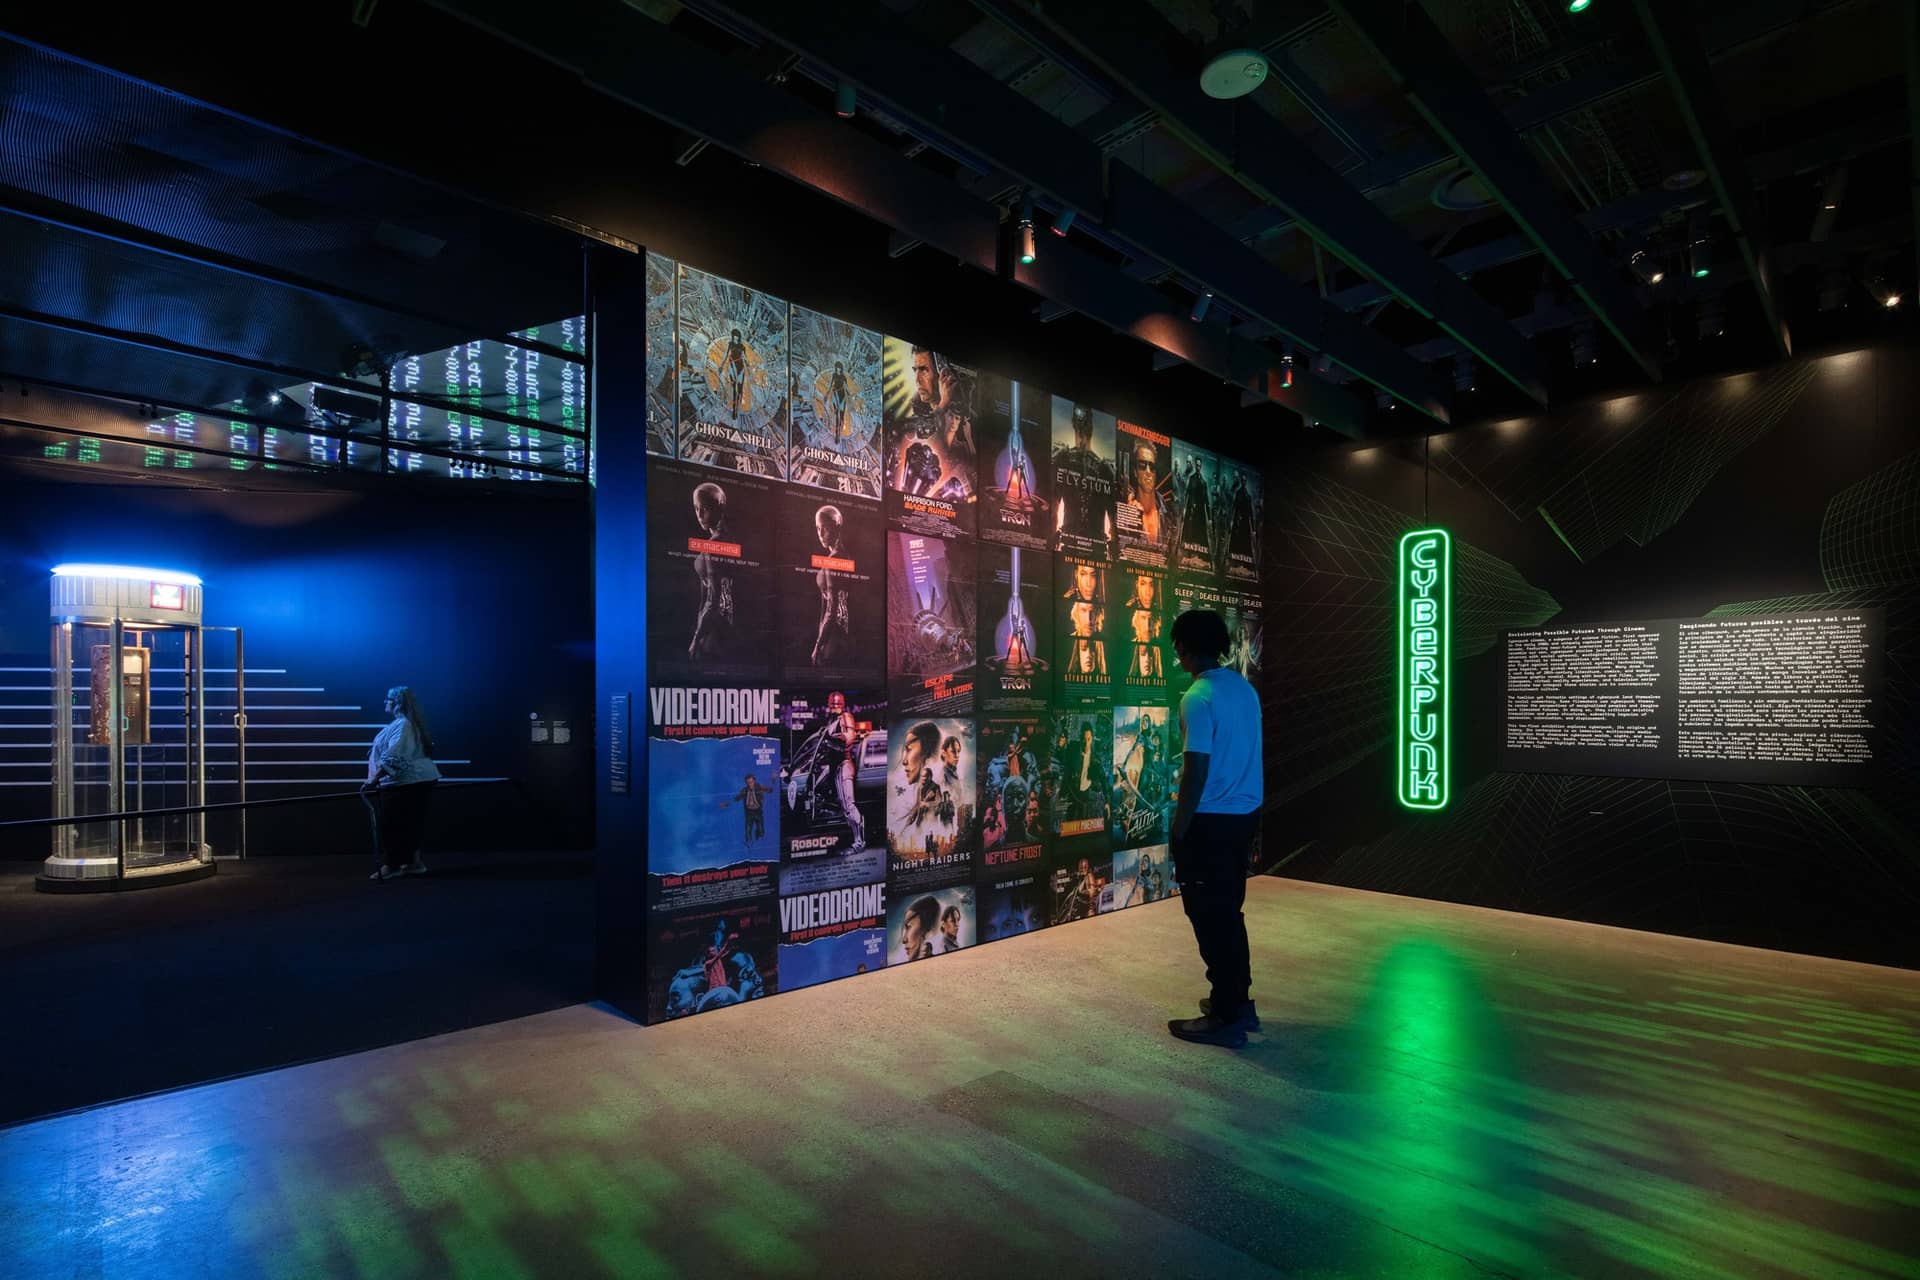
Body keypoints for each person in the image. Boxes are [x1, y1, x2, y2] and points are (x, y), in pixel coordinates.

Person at [1165, 609, 1264, 1047]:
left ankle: (1226, 1013)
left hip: (1210, 823)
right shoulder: (1243, 688)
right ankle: (1237, 999)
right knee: (1229, 911)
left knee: (1208, 916)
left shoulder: (1198, 698)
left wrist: (1178, 828)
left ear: (1184, 648)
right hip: (1244, 817)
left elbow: (1196, 771)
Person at [363, 686, 441, 881]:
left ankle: (393, 866)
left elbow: (394, 755)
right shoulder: (403, 724)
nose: (385, 702)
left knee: (392, 824)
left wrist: (373, 779)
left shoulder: (403, 725)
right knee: (409, 824)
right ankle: (414, 863)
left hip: (406, 782)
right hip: (412, 782)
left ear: (397, 704)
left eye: (388, 699)